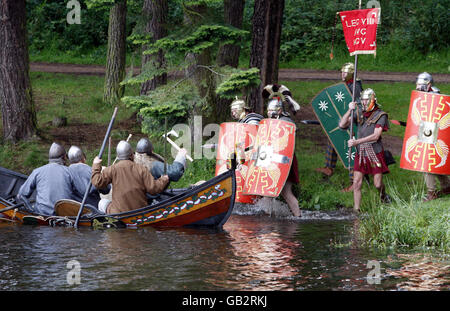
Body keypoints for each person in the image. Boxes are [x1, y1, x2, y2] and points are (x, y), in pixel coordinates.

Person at [339, 88, 390, 212]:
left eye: (367, 99)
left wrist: (356, 142)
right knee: (356, 183)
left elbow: (375, 136)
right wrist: (349, 110)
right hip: (361, 153)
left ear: (373, 100)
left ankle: (384, 196)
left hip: (375, 152)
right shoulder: (359, 113)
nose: (364, 102)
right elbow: (342, 125)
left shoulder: (381, 115)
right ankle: (357, 210)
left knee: (377, 184)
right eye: (362, 99)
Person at [315, 62, 363, 192]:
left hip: (355, 122)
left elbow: (359, 106)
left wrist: (350, 119)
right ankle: (329, 167)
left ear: (351, 73)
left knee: (351, 149)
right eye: (342, 72)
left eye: (345, 72)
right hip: (346, 119)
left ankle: (354, 182)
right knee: (334, 137)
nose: (342, 74)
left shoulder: (355, 87)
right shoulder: (346, 85)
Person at [91, 140, 169, 214]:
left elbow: (97, 182)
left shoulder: (112, 169)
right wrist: (164, 179)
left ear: (118, 157)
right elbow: (153, 188)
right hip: (140, 210)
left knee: (102, 202)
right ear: (132, 155)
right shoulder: (141, 169)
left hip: (119, 212)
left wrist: (96, 165)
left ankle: (110, 223)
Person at [415, 72, 450, 201]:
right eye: (417, 84)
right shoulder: (424, 96)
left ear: (428, 84)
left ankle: (432, 192)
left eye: (421, 84)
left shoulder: (434, 97)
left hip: (434, 134)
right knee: (433, 161)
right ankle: (447, 186)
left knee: (427, 162)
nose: (418, 87)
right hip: (428, 133)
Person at [16, 143, 75, 216]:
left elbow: (21, 195)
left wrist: (30, 210)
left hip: (41, 214)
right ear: (64, 157)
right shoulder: (70, 172)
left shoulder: (37, 171)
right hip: (63, 216)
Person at [266, 97, 302, 217]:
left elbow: (291, 133)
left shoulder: (286, 121)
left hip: (285, 161)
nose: (269, 112)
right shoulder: (271, 122)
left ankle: (298, 217)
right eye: (268, 110)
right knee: (268, 190)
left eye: (272, 110)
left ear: (279, 110)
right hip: (272, 160)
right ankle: (268, 216)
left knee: (286, 192)